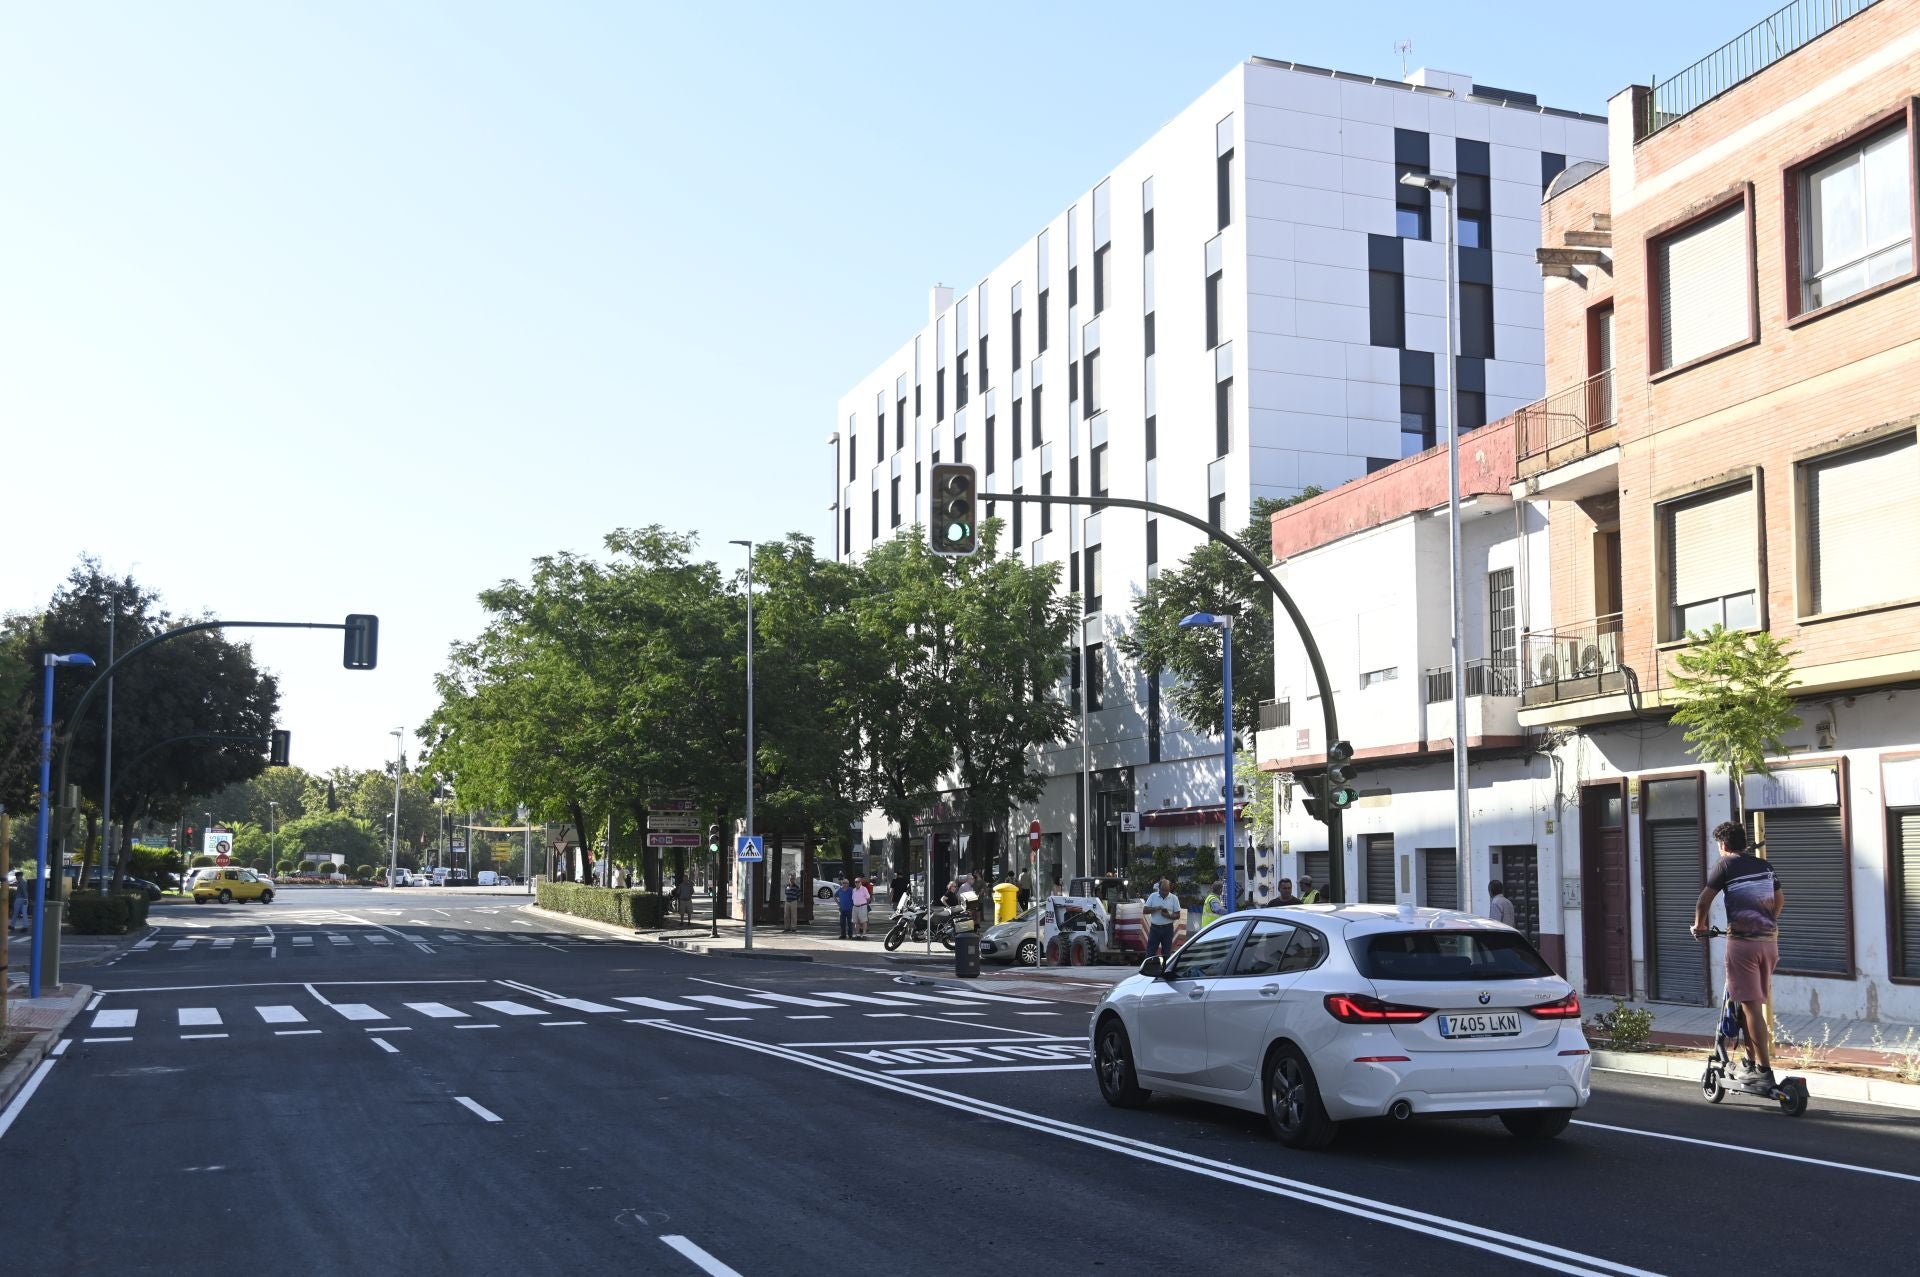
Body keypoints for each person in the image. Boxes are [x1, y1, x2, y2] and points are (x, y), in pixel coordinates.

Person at [1692, 821, 1785, 1090]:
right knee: (1748, 1005)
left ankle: (1764, 1071)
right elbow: (1780, 901)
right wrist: (1764, 921)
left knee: (1751, 1006)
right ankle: (1750, 1063)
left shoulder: (1725, 865)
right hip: (1769, 944)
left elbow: (1703, 901)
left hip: (1743, 945)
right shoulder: (1764, 866)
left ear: (1723, 845)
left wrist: (1699, 926)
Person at [1144, 877, 1181, 960]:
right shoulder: (1153, 896)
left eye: (1166, 891)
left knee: (1166, 953)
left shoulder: (1174, 898)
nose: (1164, 893)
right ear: (1159, 888)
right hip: (1155, 929)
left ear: (1170, 889)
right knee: (1150, 952)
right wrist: (1156, 908)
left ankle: (1165, 967)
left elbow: (1178, 915)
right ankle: (1149, 967)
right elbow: (1145, 910)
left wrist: (1168, 915)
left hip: (1167, 929)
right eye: (1162, 891)